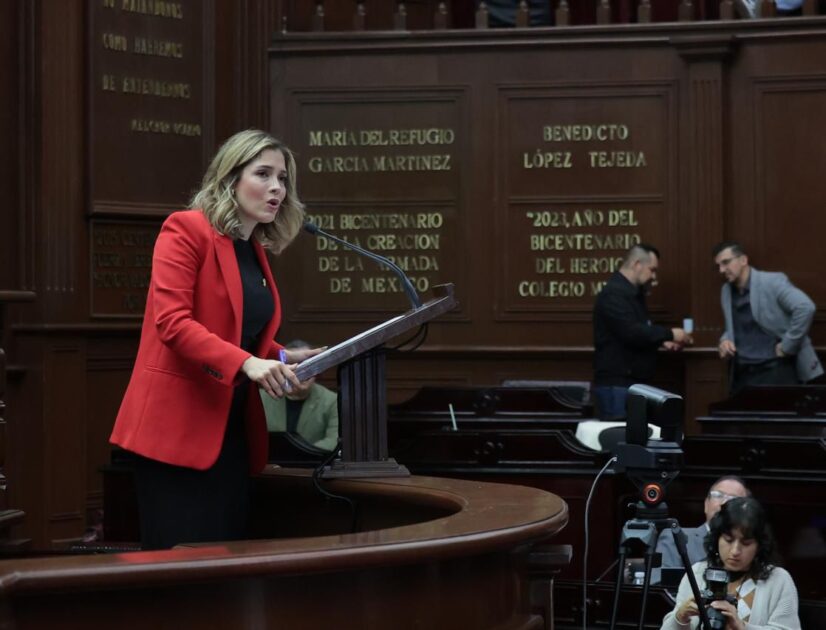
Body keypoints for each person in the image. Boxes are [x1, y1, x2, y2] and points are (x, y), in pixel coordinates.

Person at [110, 129, 322, 550]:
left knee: (225, 562)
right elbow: (173, 323)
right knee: (181, 569)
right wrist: (248, 363)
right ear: (230, 178)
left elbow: (240, 335)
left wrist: (285, 356)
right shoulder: (185, 230)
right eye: (263, 174)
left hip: (231, 431)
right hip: (177, 433)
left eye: (283, 178)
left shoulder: (252, 248)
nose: (277, 188)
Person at [660, 496, 800, 630]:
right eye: (728, 540)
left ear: (759, 546)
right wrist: (680, 616)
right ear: (717, 538)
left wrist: (742, 627)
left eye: (746, 543)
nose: (735, 551)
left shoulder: (778, 580)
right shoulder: (697, 572)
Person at [592, 244, 691, 420]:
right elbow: (631, 332)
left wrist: (660, 341)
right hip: (617, 385)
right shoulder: (613, 294)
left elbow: (638, 329)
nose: (653, 276)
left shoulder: (633, 294)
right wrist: (671, 334)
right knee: (618, 434)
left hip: (631, 383)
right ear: (637, 264)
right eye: (652, 270)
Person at [713, 241, 823, 395]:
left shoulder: (772, 282)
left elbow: (805, 307)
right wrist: (725, 340)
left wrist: (788, 345)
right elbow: (735, 324)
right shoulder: (726, 290)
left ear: (743, 260)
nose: (721, 270)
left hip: (774, 370)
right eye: (718, 266)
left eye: (726, 262)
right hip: (742, 373)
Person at [656, 476, 751, 571]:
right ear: (706, 504)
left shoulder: (751, 547)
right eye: (718, 495)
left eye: (734, 499)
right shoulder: (675, 537)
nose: (724, 503)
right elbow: (661, 578)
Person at [261, 339, 339, 451]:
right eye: (293, 366)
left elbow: (333, 441)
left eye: (306, 365)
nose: (302, 372)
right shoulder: (261, 398)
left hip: (312, 460)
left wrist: (300, 455)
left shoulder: (332, 400)